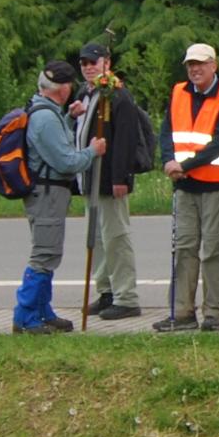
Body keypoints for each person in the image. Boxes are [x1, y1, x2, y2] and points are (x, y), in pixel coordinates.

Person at [156, 43, 219, 333]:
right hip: (185, 186)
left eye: (201, 64)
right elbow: (166, 131)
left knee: (213, 251)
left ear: (213, 65)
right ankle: (182, 312)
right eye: (190, 64)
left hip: (218, 185)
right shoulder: (178, 92)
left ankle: (212, 314)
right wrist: (169, 160)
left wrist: (185, 165)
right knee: (183, 248)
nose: (195, 69)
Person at [12, 61, 106, 334]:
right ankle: (25, 317)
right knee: (43, 255)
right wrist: (92, 151)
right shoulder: (44, 118)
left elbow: (50, 146)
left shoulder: (46, 112)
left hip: (48, 193)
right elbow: (65, 161)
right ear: (63, 89)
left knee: (49, 253)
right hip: (48, 194)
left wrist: (68, 118)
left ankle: (43, 311)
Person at [73, 43, 154, 322]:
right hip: (89, 178)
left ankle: (126, 296)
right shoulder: (85, 94)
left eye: (93, 62)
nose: (88, 67)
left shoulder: (118, 95)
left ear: (107, 62)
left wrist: (121, 177)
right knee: (96, 237)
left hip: (109, 179)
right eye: (83, 63)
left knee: (116, 238)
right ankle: (106, 290)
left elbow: (126, 140)